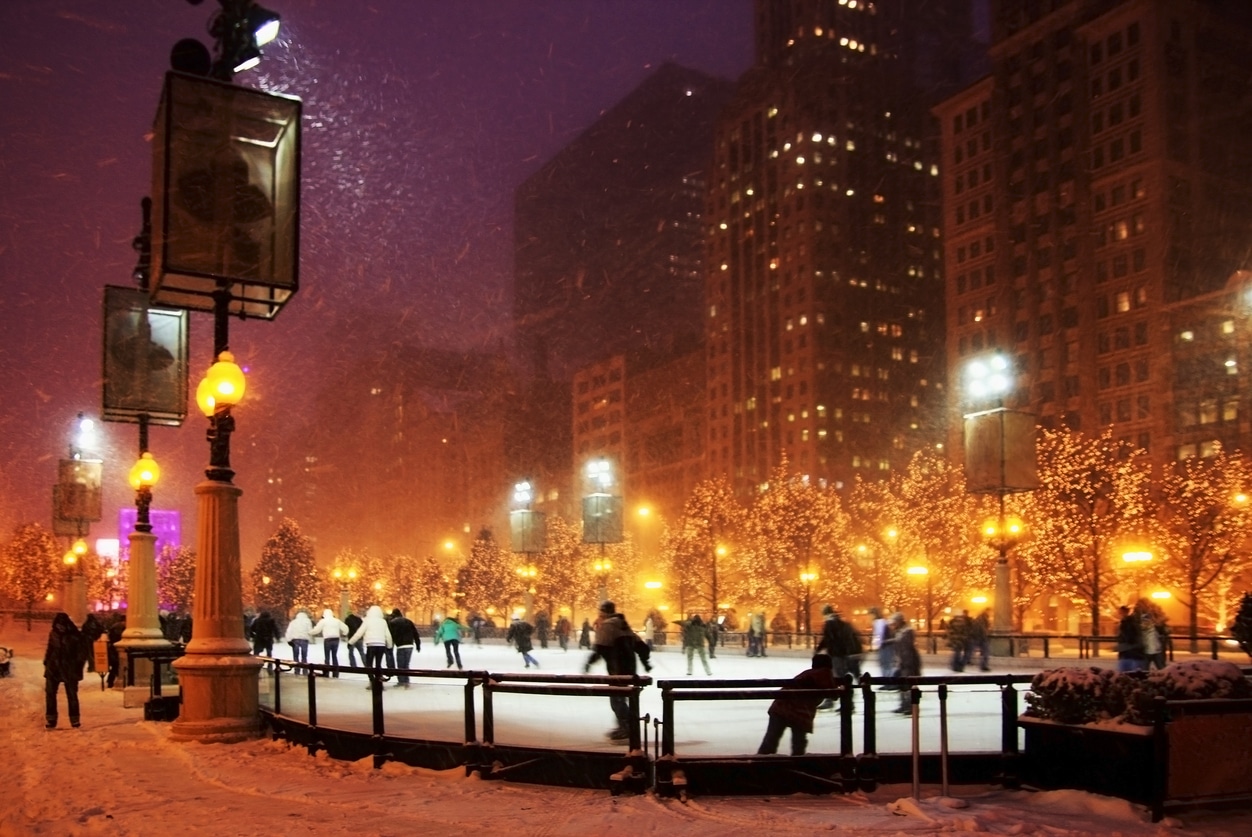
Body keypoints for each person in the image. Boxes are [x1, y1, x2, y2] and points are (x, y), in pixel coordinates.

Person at [584, 601, 651, 740]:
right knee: (621, 698)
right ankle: (625, 726)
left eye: (600, 612)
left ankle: (627, 727)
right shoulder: (622, 624)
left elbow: (601, 647)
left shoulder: (608, 625)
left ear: (604, 612)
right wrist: (646, 662)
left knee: (617, 699)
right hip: (629, 666)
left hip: (617, 668)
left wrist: (589, 663)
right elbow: (641, 646)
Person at [756, 654, 838, 756]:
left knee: (771, 739)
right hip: (799, 711)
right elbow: (833, 694)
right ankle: (797, 762)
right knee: (798, 742)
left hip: (781, 706)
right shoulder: (823, 673)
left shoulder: (808, 673)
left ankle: (761, 761)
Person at [815, 605, 862, 709]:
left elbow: (829, 639)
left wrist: (818, 649)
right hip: (843, 655)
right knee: (841, 678)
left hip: (836, 655)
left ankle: (834, 701)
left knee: (836, 678)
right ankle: (846, 701)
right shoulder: (841, 622)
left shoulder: (830, 623)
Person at [44, 613, 85, 729]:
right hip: (53, 668)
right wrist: (46, 663)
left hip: (70, 669)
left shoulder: (75, 636)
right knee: (50, 694)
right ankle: (51, 719)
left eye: (61, 625)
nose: (60, 627)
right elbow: (50, 649)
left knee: (72, 695)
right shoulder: (53, 634)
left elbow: (80, 654)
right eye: (58, 625)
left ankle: (74, 719)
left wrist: (77, 667)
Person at [884, 612, 922, 714]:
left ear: (899, 622)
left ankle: (911, 707)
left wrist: (905, 663)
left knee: (908, 685)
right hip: (903, 662)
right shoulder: (900, 631)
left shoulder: (906, 632)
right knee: (903, 685)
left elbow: (906, 649)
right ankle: (904, 705)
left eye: (894, 623)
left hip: (908, 663)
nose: (892, 626)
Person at [348, 604, 394, 685]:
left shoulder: (367, 621)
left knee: (369, 665)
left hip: (371, 645)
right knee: (378, 664)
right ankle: (378, 681)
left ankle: (372, 680)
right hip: (381, 645)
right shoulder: (383, 622)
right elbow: (388, 635)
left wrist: (351, 642)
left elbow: (359, 633)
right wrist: (389, 646)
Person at [310, 608, 347, 677]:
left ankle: (326, 672)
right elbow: (345, 628)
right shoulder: (337, 621)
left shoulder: (323, 621)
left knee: (327, 657)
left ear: (324, 614)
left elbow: (317, 630)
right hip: (336, 639)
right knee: (334, 656)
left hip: (328, 639)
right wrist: (344, 633)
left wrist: (309, 632)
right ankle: (335, 673)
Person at [388, 608, 420, 687]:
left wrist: (392, 643)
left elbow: (391, 634)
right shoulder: (408, 621)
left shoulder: (393, 623)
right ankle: (407, 681)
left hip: (401, 645)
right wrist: (418, 644)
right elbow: (415, 633)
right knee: (406, 664)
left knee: (400, 665)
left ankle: (401, 681)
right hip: (409, 645)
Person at [1115, 605, 1144, 672]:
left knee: (1127, 672)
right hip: (1132, 652)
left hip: (1129, 652)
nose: (1120, 614)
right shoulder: (1131, 622)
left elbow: (1129, 636)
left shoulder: (1127, 623)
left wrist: (1125, 643)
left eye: (1121, 613)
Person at [869, 607, 893, 678]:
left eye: (871, 614)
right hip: (886, 645)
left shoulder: (879, 622)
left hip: (885, 646)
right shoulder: (882, 621)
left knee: (885, 664)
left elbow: (879, 635)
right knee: (885, 664)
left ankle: (888, 682)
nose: (870, 616)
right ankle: (887, 682)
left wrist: (876, 646)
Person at [105, 614, 126, 688]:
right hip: (118, 648)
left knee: (115, 666)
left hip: (112, 648)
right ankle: (111, 680)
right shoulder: (122, 627)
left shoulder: (114, 626)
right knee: (116, 666)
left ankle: (110, 681)